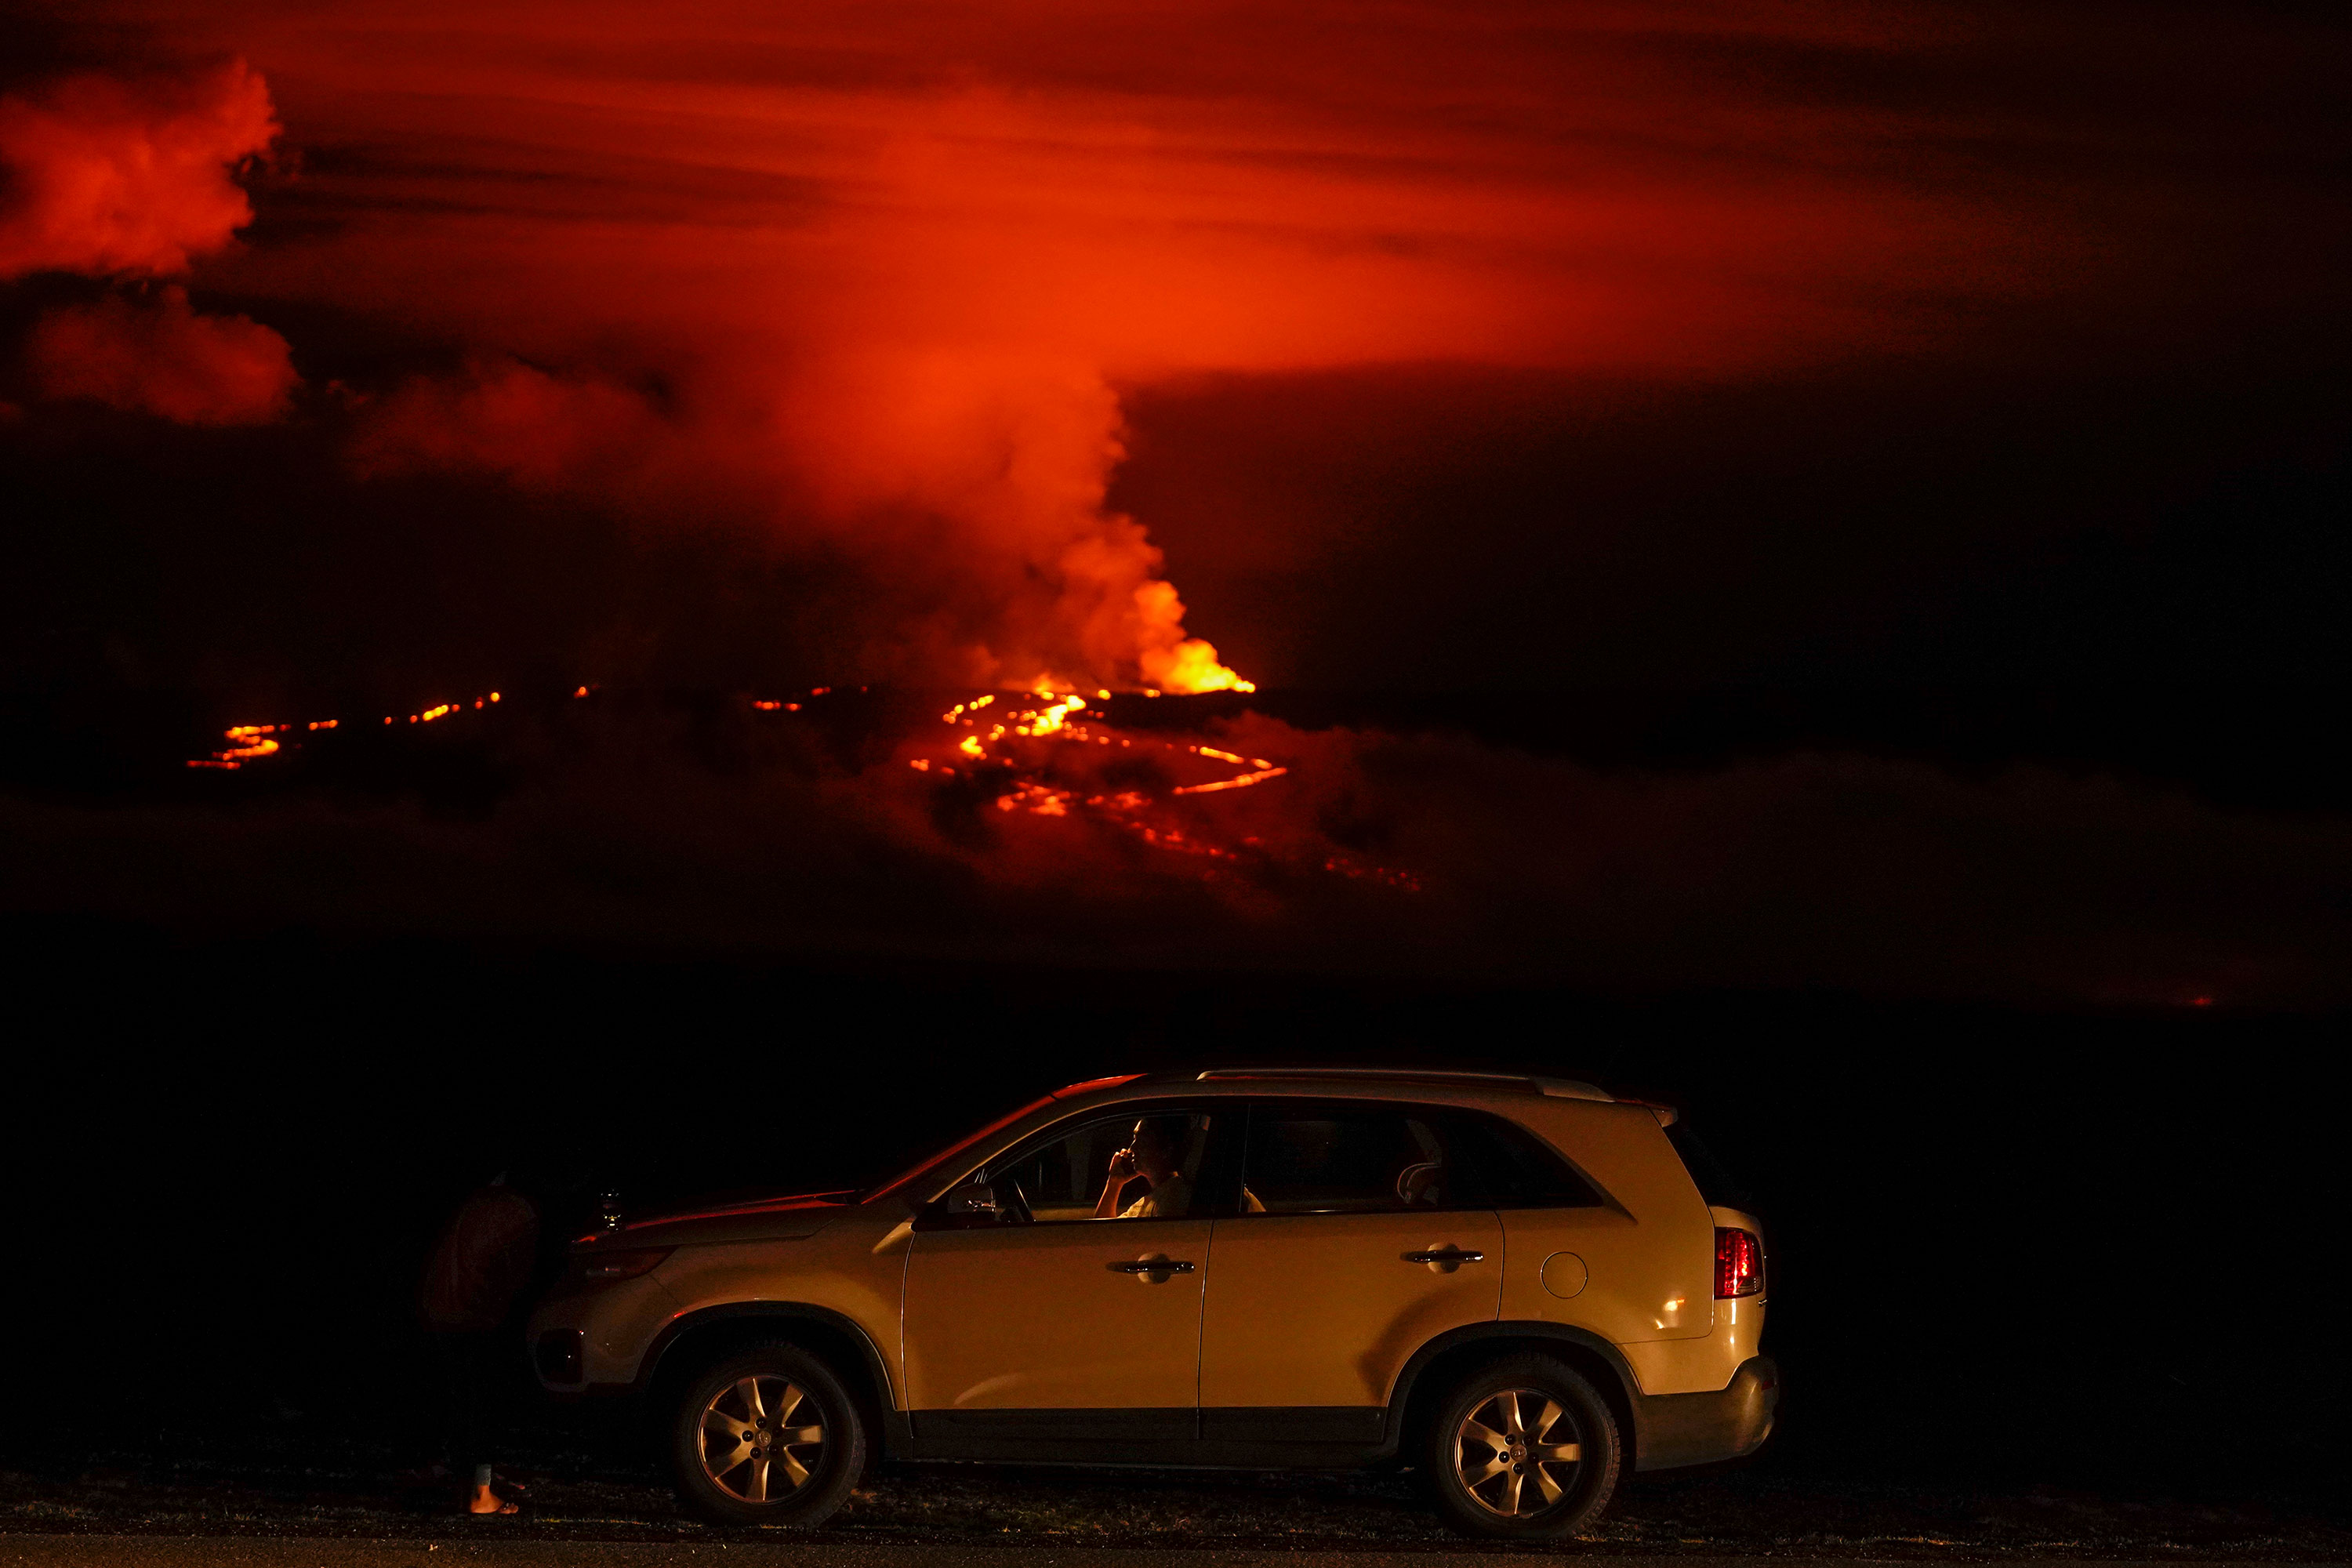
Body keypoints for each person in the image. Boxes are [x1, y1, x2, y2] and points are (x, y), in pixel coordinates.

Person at [419, 1172, 542, 1515]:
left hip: (438, 1306)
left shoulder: (470, 1201)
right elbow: (517, 1271)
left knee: (460, 1397)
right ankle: (480, 1494)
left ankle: (464, 1481)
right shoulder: (519, 1210)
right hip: (476, 1312)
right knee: (482, 1401)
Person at [1094, 1116, 1193, 1218]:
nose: (1131, 1149)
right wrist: (1114, 1182)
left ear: (1166, 1149)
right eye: (1135, 1139)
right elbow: (1102, 1231)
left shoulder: (1175, 1196)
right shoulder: (1150, 1199)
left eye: (1142, 1140)